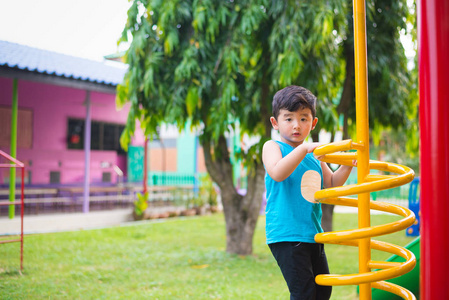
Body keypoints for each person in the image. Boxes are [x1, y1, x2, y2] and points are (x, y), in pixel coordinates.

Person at [262, 85, 354, 300]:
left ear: (313, 124)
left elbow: (331, 185)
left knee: (322, 291)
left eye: (303, 119)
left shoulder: (313, 158)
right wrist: (303, 149)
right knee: (304, 293)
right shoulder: (272, 147)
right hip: (286, 234)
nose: (296, 125)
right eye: (288, 119)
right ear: (275, 123)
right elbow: (277, 172)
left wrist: (347, 164)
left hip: (312, 234)